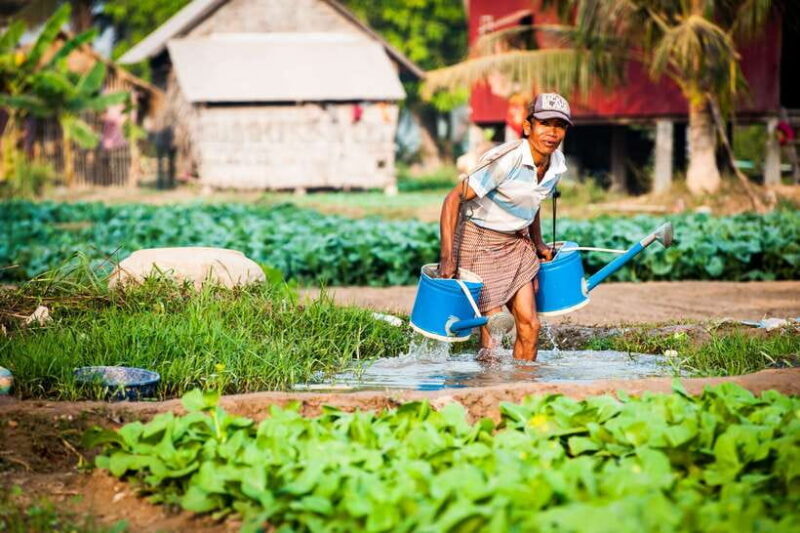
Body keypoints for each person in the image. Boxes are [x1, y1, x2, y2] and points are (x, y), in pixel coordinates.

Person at [438, 92, 571, 361]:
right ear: (528, 127)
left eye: (560, 126)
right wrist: (448, 258)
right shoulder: (506, 160)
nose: (552, 132)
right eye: (545, 124)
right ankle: (488, 383)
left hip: (516, 244)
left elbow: (533, 201)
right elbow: (452, 200)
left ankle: (522, 384)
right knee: (494, 329)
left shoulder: (556, 164)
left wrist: (538, 243)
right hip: (480, 242)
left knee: (530, 326)